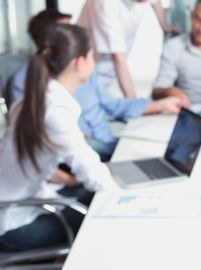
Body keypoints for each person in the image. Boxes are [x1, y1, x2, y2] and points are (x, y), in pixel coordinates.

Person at [12, 9, 189, 161]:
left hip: (107, 141)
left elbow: (112, 105)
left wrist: (159, 105)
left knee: (165, 149)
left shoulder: (83, 68)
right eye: (67, 31)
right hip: (81, 151)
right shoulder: (26, 81)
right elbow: (37, 135)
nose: (75, 36)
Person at [0, 24, 116, 251]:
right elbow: (92, 173)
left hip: (21, 203)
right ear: (79, 63)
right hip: (15, 224)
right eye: (92, 55)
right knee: (101, 223)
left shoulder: (33, 100)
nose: (94, 61)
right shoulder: (55, 111)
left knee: (89, 197)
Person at [77, 0, 180, 99]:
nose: (145, 0)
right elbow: (117, 57)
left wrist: (163, 24)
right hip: (91, 67)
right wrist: (134, 103)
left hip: (115, 66)